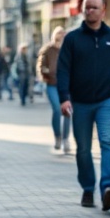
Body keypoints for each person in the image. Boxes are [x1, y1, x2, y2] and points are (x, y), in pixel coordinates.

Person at [57, 0, 110, 211]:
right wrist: (64, 98)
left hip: (107, 100)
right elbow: (63, 70)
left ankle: (108, 188)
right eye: (87, 8)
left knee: (107, 142)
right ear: (83, 11)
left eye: (94, 7)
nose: (90, 11)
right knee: (83, 148)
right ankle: (88, 188)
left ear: (103, 10)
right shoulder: (72, 39)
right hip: (79, 102)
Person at [37, 26, 70, 154]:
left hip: (67, 85)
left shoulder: (69, 49)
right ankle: (58, 136)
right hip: (51, 84)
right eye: (59, 34)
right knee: (57, 109)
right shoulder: (48, 49)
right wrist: (47, 72)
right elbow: (41, 65)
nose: (61, 36)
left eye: (63, 34)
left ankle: (66, 139)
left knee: (67, 111)